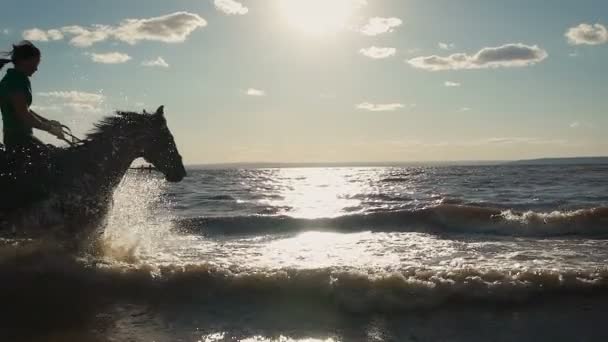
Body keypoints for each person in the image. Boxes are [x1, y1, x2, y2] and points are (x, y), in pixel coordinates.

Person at [0, 41, 65, 158]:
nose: (36, 69)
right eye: (35, 63)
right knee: (53, 163)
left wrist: (47, 121)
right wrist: (49, 128)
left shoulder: (17, 78)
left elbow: (26, 109)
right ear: (24, 61)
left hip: (20, 137)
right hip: (19, 139)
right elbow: (23, 114)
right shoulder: (15, 81)